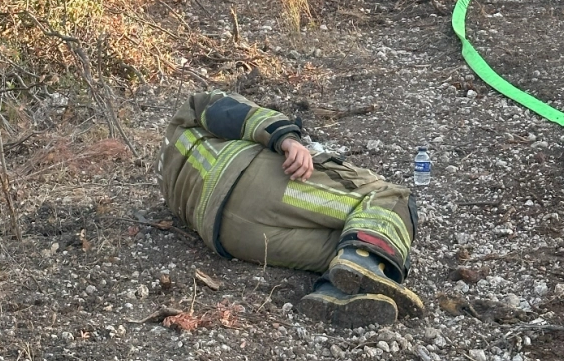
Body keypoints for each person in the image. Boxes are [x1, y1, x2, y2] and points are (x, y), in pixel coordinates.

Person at [157, 88, 424, 326]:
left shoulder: (165, 178)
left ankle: (335, 292)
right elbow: (231, 112)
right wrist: (287, 138)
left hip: (229, 236)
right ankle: (368, 264)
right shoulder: (190, 109)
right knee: (390, 197)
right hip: (253, 181)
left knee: (347, 241)